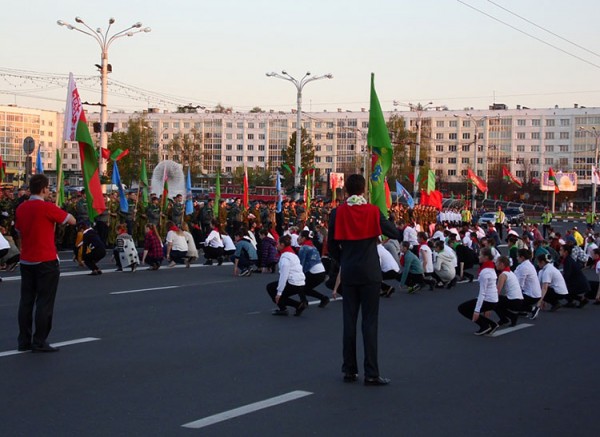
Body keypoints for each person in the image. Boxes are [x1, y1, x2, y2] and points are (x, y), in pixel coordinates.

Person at [327, 174, 400, 386]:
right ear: (363, 190)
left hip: (349, 272)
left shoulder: (337, 212)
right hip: (370, 273)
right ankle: (371, 373)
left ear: (347, 190)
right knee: (370, 323)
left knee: (348, 322)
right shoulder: (373, 211)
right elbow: (393, 232)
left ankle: (349, 370)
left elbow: (331, 245)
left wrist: (343, 260)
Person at [16, 174, 76, 352]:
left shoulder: (21, 208)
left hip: (26, 259)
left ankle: (23, 340)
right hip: (46, 260)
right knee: (44, 301)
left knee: (26, 301)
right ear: (43, 189)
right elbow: (71, 220)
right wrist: (56, 209)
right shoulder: (47, 207)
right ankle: (39, 340)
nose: (49, 191)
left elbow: (19, 230)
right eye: (48, 188)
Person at [457, 248, 499, 336]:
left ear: (486, 257)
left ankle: (485, 326)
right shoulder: (491, 268)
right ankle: (491, 324)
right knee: (466, 307)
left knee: (462, 308)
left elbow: (482, 292)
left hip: (488, 299)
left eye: (480, 255)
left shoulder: (485, 272)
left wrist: (477, 310)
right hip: (493, 299)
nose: (478, 256)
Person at [266, 235, 307, 316]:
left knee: (272, 289)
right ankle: (296, 305)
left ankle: (289, 307)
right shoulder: (293, 254)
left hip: (293, 282)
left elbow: (283, 276)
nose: (276, 245)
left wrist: (279, 292)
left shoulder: (285, 258)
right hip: (300, 282)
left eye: (277, 244)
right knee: (279, 293)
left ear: (282, 245)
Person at [297, 230, 330, 307]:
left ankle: (304, 303)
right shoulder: (312, 246)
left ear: (304, 238)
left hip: (314, 272)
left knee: (300, 286)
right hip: (321, 271)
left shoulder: (304, 248)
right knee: (306, 289)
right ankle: (323, 298)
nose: (298, 238)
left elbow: (301, 264)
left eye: (299, 236)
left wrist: (299, 274)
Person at [494, 256, 524, 327]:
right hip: (519, 300)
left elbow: (497, 291)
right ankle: (506, 318)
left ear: (502, 264)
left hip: (514, 301)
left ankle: (507, 317)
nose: (495, 264)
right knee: (500, 300)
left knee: (493, 301)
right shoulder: (510, 272)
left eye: (496, 262)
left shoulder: (503, 275)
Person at [514, 249, 542, 319]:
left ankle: (532, 309)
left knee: (512, 301)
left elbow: (520, 283)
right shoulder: (528, 264)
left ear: (522, 257)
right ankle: (523, 311)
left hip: (531, 294)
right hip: (535, 293)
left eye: (518, 256)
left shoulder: (524, 267)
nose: (517, 258)